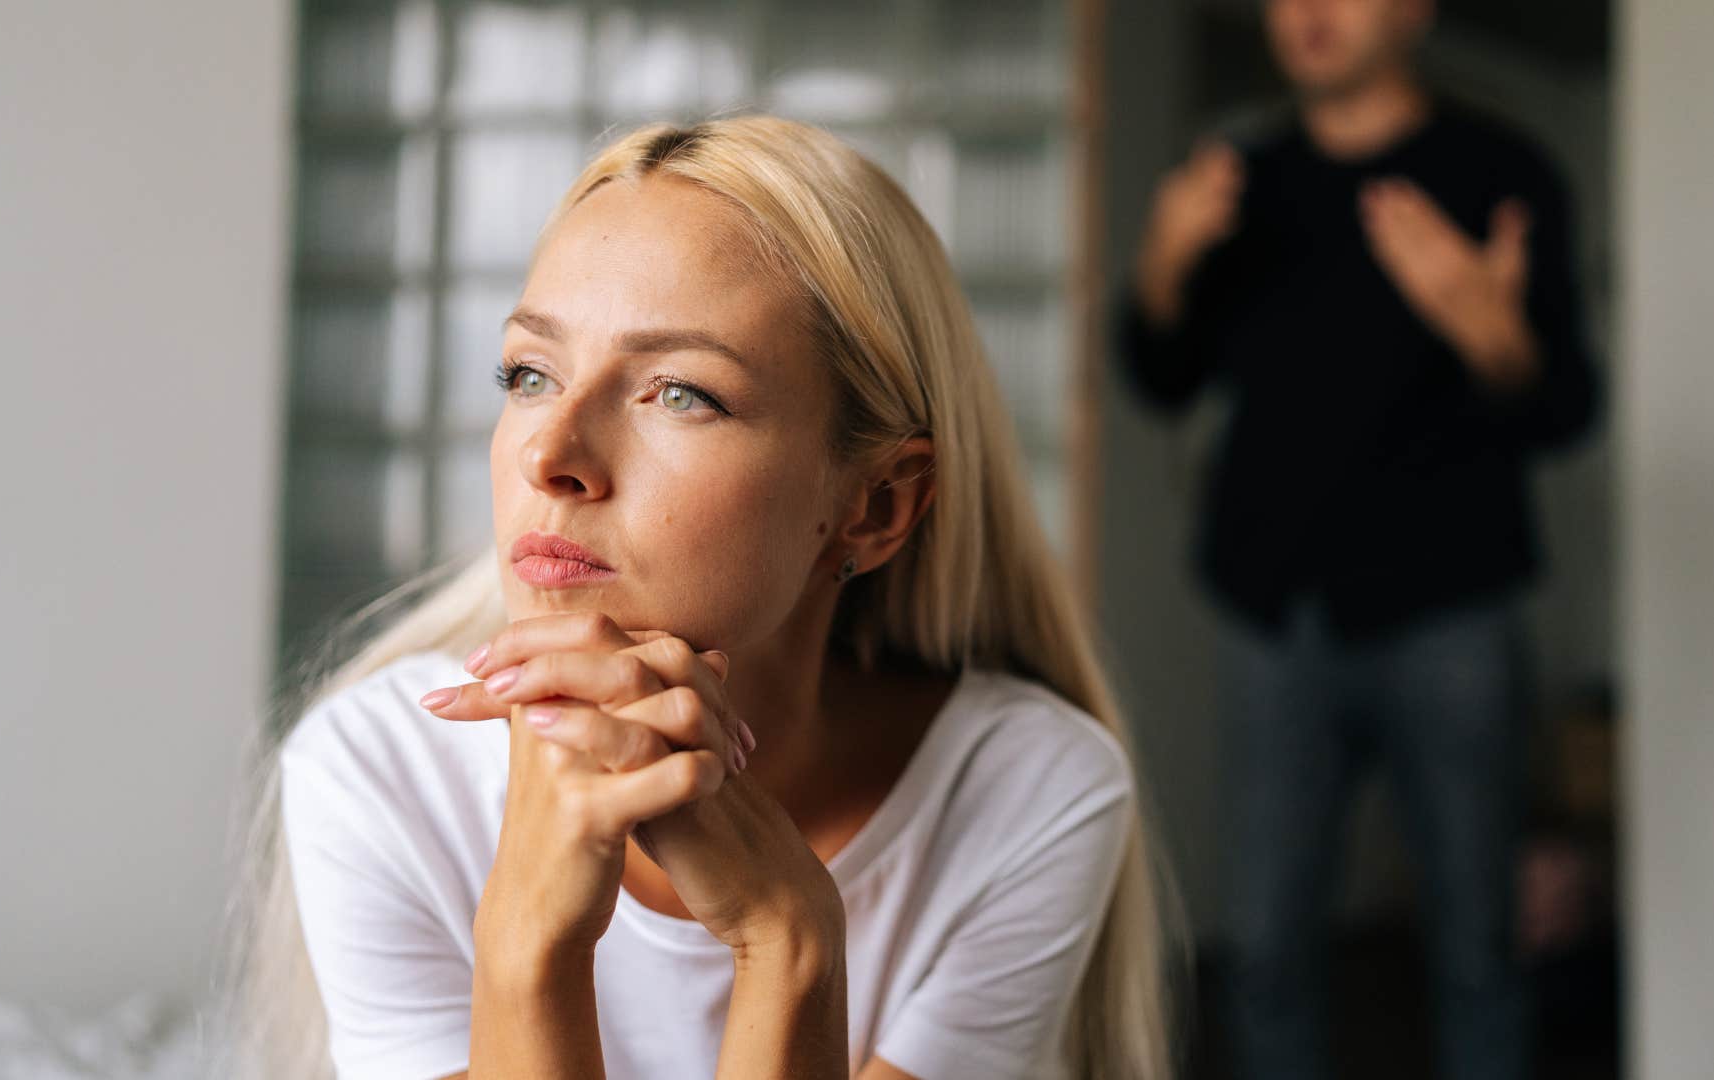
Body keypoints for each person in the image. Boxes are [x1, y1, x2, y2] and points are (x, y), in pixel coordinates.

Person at [224, 116, 1185, 1080]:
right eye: (530, 374)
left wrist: (789, 941)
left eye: (681, 393)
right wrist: (526, 945)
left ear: (875, 505)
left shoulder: (1025, 793)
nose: (549, 456)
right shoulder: (380, 771)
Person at [1115, 1, 1601, 1078]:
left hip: (1453, 612)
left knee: (1481, 946)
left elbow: (1569, 408)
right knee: (1269, 952)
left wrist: (1494, 335)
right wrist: (1161, 260)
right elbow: (1160, 375)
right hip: (1273, 615)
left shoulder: (1499, 171)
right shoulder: (1238, 179)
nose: (1310, 10)